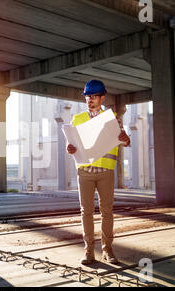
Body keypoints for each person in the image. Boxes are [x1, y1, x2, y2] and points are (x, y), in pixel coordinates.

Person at [67, 80, 130, 265]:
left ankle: (107, 250)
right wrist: (69, 148)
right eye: (87, 97)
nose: (90, 100)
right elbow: (71, 142)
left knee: (107, 212)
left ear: (102, 97)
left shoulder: (113, 118)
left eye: (93, 96)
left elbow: (124, 141)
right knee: (86, 212)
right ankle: (88, 251)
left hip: (105, 172)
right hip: (85, 172)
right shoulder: (77, 119)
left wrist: (125, 139)